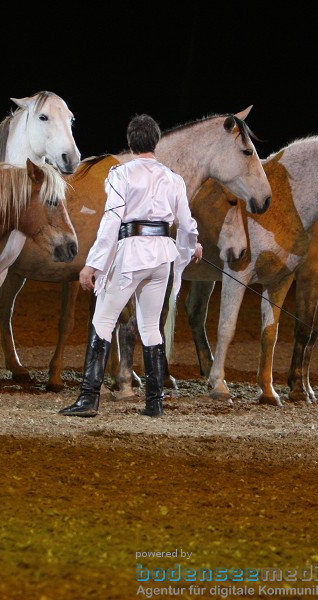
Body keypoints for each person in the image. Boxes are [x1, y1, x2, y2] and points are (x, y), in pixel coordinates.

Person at [59, 114, 202, 418]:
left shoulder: (120, 174)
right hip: (162, 256)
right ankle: (155, 403)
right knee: (151, 326)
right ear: (156, 142)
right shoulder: (173, 178)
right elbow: (187, 225)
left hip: (133, 253)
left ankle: (88, 398)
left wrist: (93, 265)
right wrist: (191, 248)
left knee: (103, 320)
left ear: (130, 142)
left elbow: (111, 222)